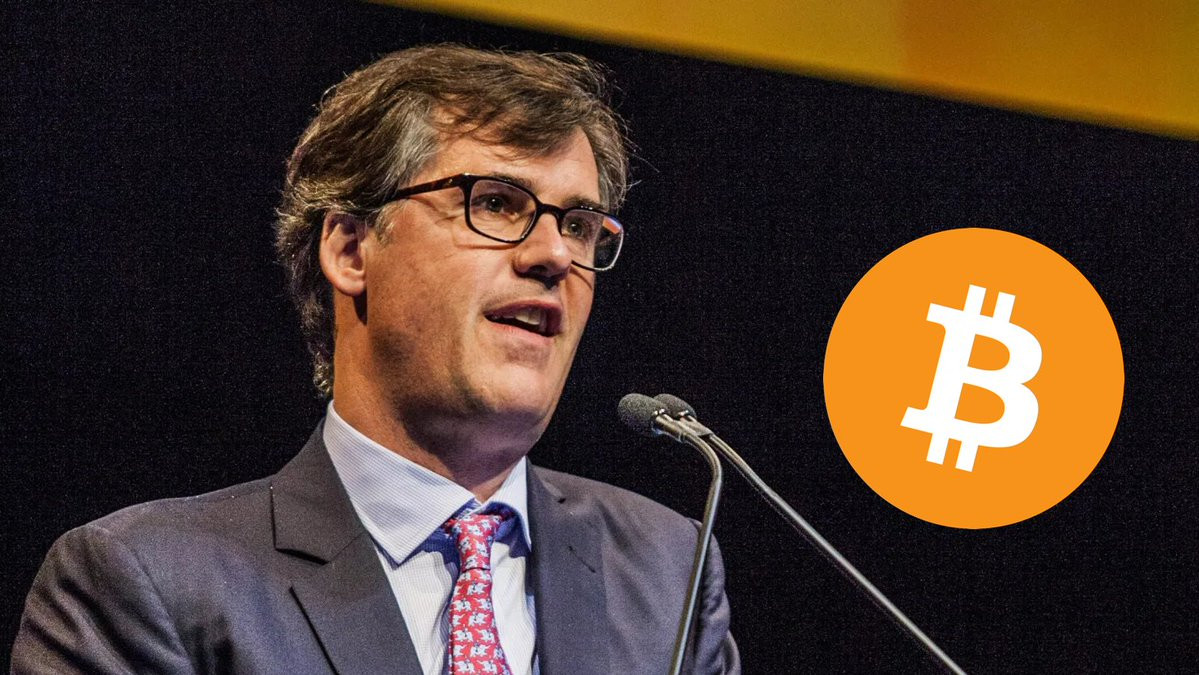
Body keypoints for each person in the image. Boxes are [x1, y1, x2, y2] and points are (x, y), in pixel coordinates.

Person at [12, 45, 739, 674]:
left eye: (579, 225)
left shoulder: (666, 569)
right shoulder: (150, 584)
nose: (553, 254)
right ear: (351, 249)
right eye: (496, 203)